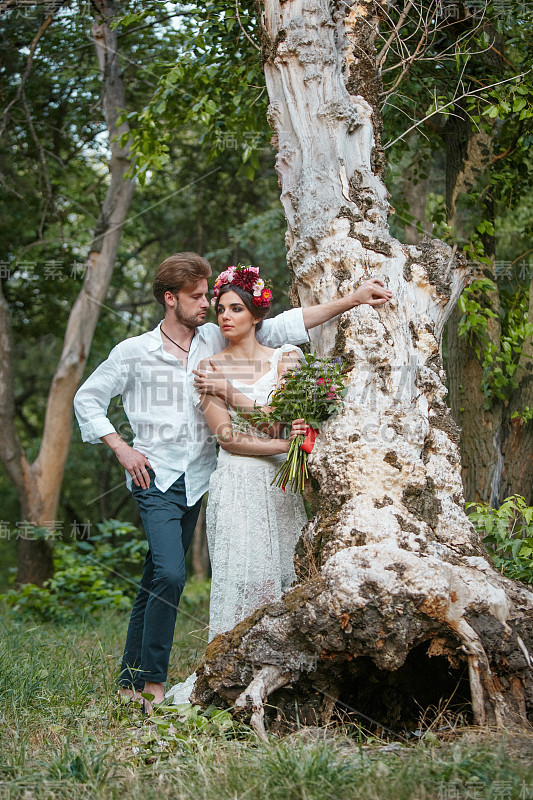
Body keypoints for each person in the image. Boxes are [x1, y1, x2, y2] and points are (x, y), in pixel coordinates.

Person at [74, 252, 391, 712]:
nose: (208, 305)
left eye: (210, 296)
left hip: (200, 479)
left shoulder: (211, 338)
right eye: (198, 297)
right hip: (155, 474)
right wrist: (122, 449)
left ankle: (130, 678)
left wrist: (353, 299)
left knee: (154, 578)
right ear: (170, 299)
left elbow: (285, 324)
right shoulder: (133, 353)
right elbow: (88, 399)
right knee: (169, 572)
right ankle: (154, 685)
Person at [165, 264, 391, 705]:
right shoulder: (207, 366)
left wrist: (237, 399)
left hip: (281, 488)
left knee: (285, 575)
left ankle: (290, 683)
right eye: (221, 309)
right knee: (242, 578)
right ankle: (231, 683)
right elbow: (227, 439)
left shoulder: (286, 357)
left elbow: (288, 422)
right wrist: (288, 446)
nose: (225, 317)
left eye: (236, 308)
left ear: (256, 314)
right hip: (236, 487)